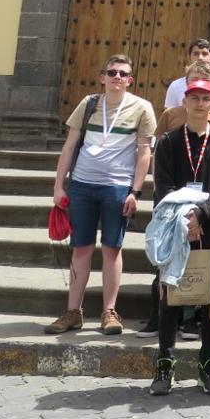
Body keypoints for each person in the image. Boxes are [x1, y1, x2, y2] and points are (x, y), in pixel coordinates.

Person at [46, 55, 156, 337]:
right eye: (112, 72)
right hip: (81, 185)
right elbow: (70, 146)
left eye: (123, 74)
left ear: (130, 80)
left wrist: (135, 191)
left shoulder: (142, 107)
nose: (117, 77)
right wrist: (59, 186)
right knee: (80, 248)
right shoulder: (88, 104)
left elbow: (144, 152)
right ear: (102, 77)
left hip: (117, 188)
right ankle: (73, 311)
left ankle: (109, 311)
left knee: (112, 248)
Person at [147, 79, 210, 396]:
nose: (200, 104)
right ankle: (164, 367)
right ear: (184, 102)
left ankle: (207, 366)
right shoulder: (170, 141)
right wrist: (186, 217)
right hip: (176, 226)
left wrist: (201, 215)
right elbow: (163, 185)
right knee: (170, 297)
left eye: (205, 98)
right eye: (194, 98)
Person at [155, 62, 210, 138]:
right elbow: (157, 142)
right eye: (194, 79)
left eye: (205, 80)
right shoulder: (170, 115)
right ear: (186, 83)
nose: (199, 83)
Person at [164, 39, 210, 110]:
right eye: (196, 54)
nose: (200, 58)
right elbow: (170, 116)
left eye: (204, 54)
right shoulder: (175, 86)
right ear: (189, 57)